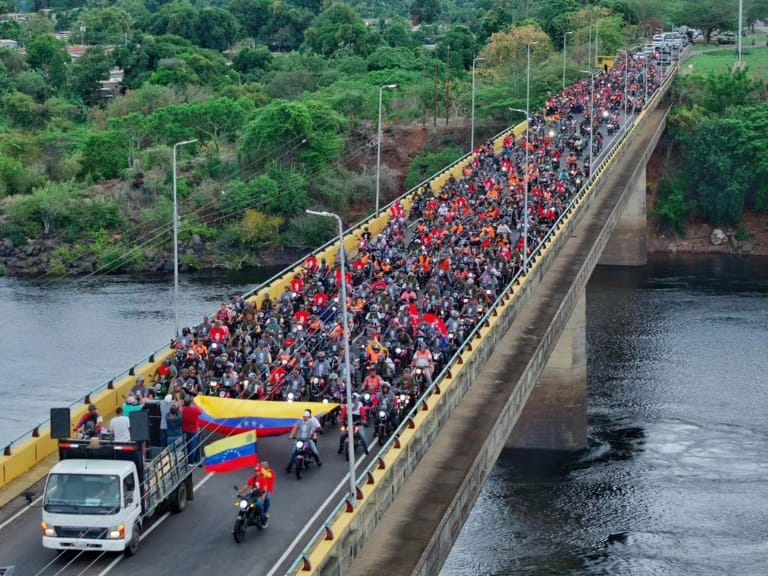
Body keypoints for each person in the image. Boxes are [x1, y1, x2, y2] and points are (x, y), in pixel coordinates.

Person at [237, 461, 275, 526]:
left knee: (265, 500)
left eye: (259, 470)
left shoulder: (269, 474)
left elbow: (265, 488)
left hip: (264, 492)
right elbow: (246, 487)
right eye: (256, 471)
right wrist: (239, 493)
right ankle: (242, 515)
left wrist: (263, 496)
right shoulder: (253, 479)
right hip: (255, 493)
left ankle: (263, 517)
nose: (256, 472)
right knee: (244, 500)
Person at [181, 396, 202, 464]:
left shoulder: (183, 409)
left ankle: (186, 460)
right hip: (193, 430)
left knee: (186, 446)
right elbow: (201, 411)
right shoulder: (194, 410)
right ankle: (191, 462)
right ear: (190, 403)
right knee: (193, 446)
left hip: (184, 429)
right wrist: (195, 403)